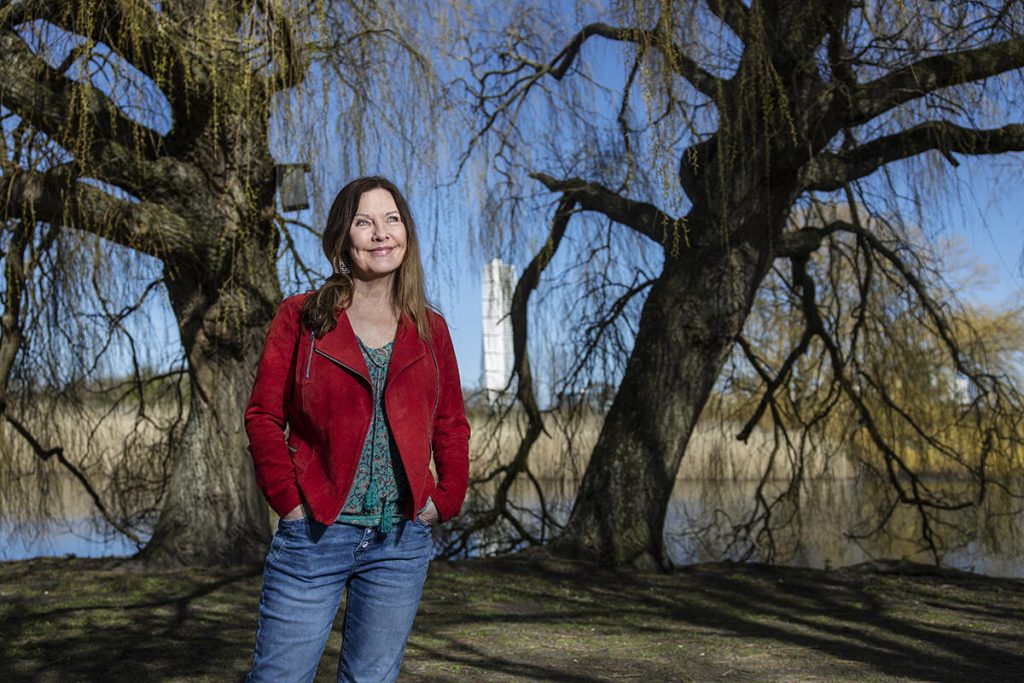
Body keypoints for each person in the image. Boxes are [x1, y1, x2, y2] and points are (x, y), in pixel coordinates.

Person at [243, 176, 470, 682]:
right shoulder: (301, 317)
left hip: (400, 540)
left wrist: (446, 497)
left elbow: (451, 422)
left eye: (392, 219)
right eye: (363, 222)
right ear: (343, 238)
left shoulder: (431, 330)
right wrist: (290, 503)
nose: (380, 233)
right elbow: (262, 416)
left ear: (406, 233)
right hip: (315, 533)